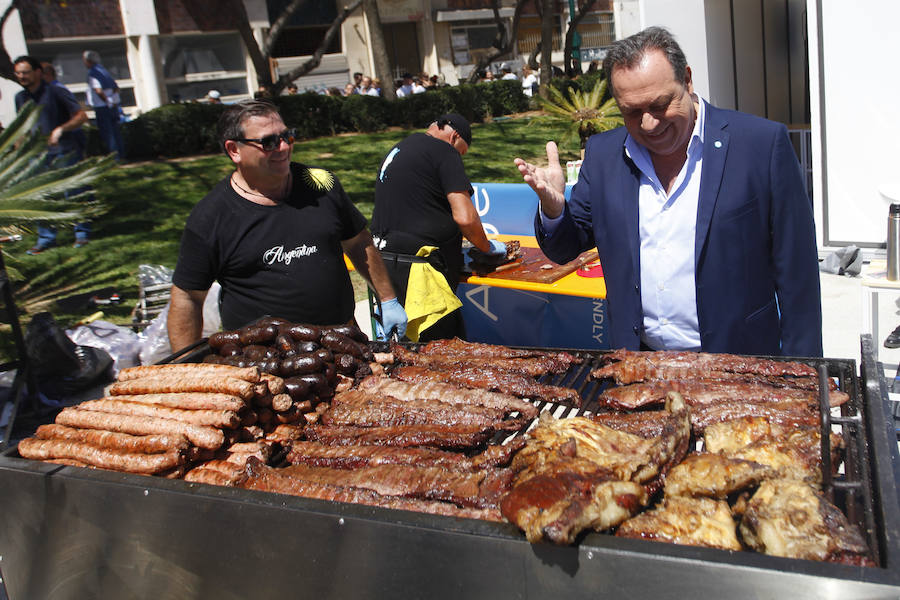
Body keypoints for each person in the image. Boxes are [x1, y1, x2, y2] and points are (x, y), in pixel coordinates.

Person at [514, 26, 822, 357]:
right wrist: (554, 210)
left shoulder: (760, 145)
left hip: (737, 365)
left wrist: (803, 374)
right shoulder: (604, 155)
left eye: (660, 104)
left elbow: (797, 276)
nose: (649, 124)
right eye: (631, 111)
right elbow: (566, 249)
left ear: (687, 81)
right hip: (639, 364)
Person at [168, 99, 406, 351]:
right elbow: (187, 298)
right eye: (268, 142)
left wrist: (388, 299)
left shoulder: (320, 186)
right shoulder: (211, 217)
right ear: (234, 150)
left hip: (341, 343)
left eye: (287, 136)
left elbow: (358, 241)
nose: (283, 147)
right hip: (264, 359)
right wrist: (186, 363)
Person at [371, 113, 506, 342]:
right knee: (442, 357)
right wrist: (486, 247)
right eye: (461, 153)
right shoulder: (444, 151)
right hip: (421, 274)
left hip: (383, 265)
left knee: (405, 352)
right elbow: (465, 217)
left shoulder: (400, 148)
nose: (458, 158)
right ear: (454, 137)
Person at [13, 56, 90, 253]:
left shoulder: (56, 92)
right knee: (41, 198)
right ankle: (46, 239)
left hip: (64, 152)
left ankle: (81, 234)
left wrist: (60, 129)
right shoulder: (20, 98)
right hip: (36, 157)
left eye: (25, 72)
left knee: (73, 193)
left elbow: (81, 116)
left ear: (38, 72)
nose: (21, 76)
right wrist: (19, 150)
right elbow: (23, 126)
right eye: (18, 73)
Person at [83, 50, 124, 160]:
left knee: (108, 134)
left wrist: (107, 101)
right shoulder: (104, 70)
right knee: (116, 132)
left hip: (102, 107)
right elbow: (116, 87)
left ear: (88, 61)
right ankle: (121, 155)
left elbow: (98, 90)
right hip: (112, 107)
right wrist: (112, 100)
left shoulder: (93, 73)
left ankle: (115, 158)